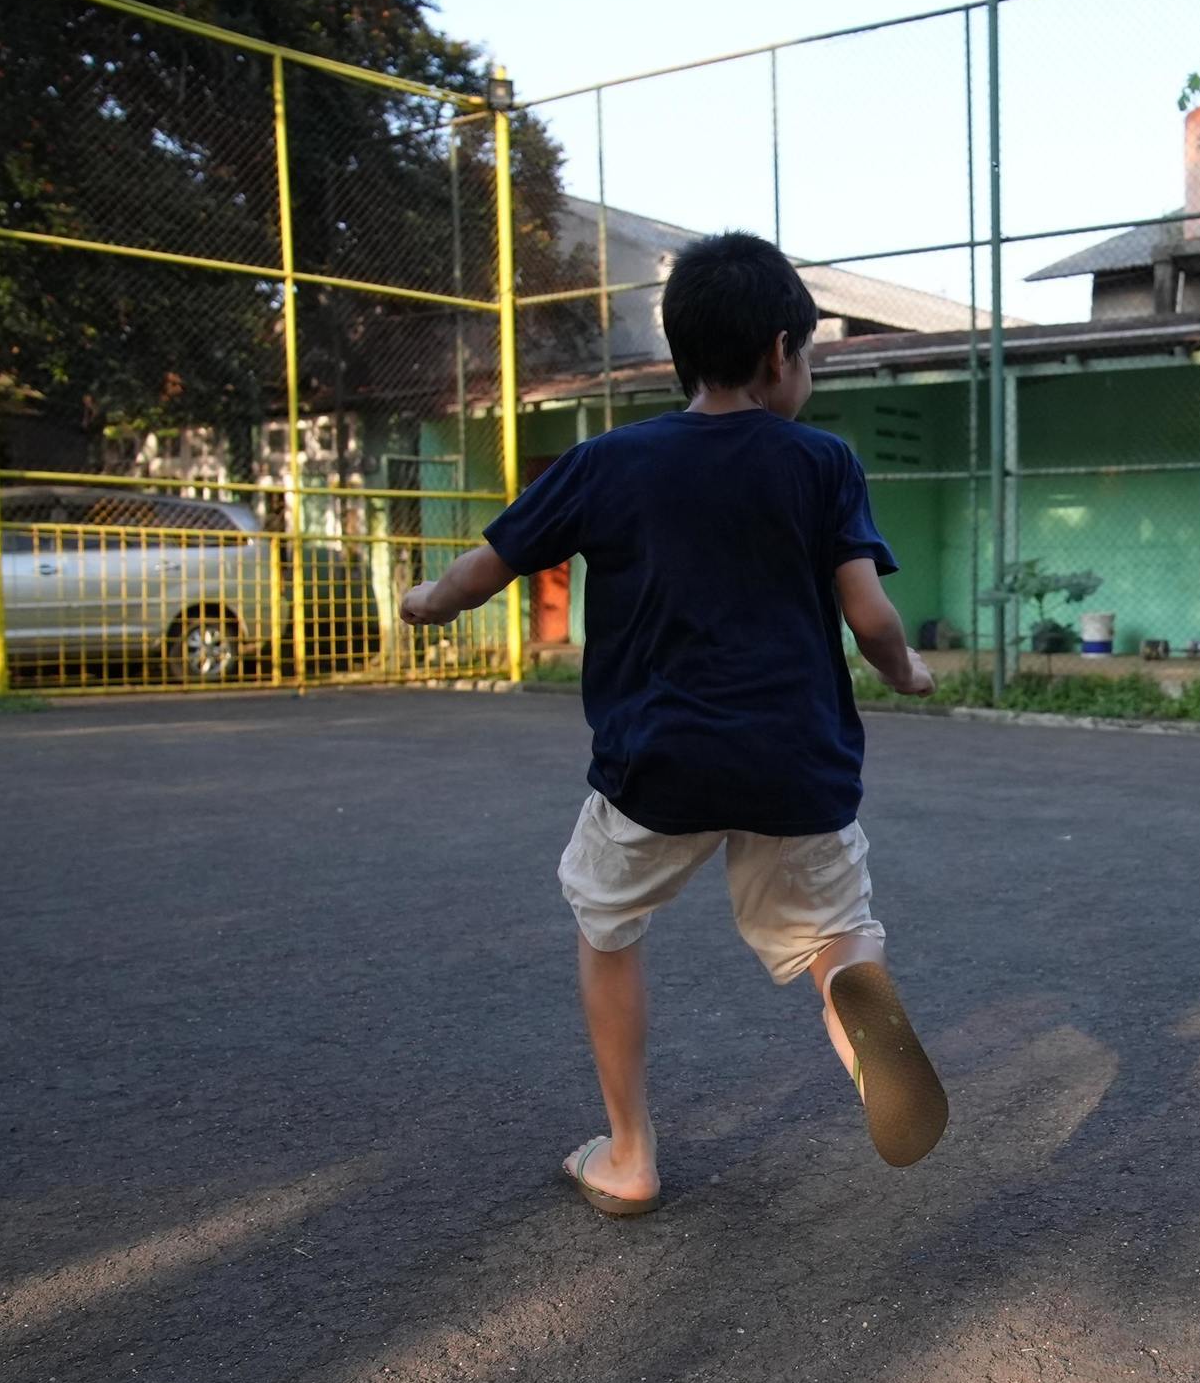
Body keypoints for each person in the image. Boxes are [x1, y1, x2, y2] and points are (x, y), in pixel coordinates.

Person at [398, 231, 948, 1215]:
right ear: (780, 352)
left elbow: (488, 566)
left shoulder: (609, 461)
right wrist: (907, 670)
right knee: (836, 934)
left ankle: (629, 1154)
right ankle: (855, 1008)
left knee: (606, 923)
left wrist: (429, 601)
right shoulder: (823, 462)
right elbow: (869, 616)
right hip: (794, 762)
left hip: (657, 761)